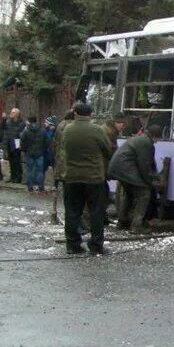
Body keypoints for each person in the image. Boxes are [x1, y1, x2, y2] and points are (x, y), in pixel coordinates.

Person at [61, 103, 113, 255]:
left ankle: (73, 245)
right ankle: (96, 245)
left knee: (72, 211)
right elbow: (107, 149)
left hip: (72, 177)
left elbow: (63, 148)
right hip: (93, 177)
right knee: (96, 212)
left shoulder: (67, 129)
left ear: (75, 113)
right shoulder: (96, 130)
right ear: (90, 114)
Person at [108, 125, 161, 233]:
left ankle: (122, 221)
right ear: (155, 136)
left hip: (118, 168)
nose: (157, 142)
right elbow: (144, 165)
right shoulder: (146, 143)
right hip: (125, 169)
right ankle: (136, 226)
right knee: (144, 194)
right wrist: (148, 183)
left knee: (130, 194)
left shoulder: (140, 139)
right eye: (158, 139)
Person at [19, 115, 48, 192]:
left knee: (29, 170)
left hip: (29, 153)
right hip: (40, 153)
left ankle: (30, 187)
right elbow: (46, 141)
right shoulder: (42, 130)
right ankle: (41, 186)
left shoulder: (26, 130)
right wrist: (43, 149)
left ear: (29, 121)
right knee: (40, 170)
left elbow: (22, 142)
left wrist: (24, 150)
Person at [1, 108, 25, 183]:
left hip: (16, 142)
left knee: (16, 160)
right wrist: (4, 119)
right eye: (11, 112)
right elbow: (2, 127)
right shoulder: (8, 121)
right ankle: (13, 176)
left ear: (17, 114)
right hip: (9, 143)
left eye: (13, 112)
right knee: (11, 161)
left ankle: (18, 177)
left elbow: (20, 132)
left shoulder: (21, 123)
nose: (11, 114)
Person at [42, 116, 58, 184]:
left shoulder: (56, 132)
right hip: (46, 153)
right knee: (42, 169)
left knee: (56, 171)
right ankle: (40, 185)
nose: (45, 124)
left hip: (53, 154)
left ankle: (56, 185)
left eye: (46, 122)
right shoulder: (46, 131)